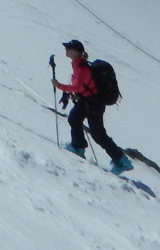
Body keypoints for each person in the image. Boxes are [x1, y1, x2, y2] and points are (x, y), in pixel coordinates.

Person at [55, 39, 133, 174]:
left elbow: (78, 86)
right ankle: (78, 147)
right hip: (87, 101)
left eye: (69, 48)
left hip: (93, 104)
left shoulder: (82, 68)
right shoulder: (78, 65)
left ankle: (121, 160)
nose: (66, 50)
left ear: (76, 52)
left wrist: (59, 86)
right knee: (74, 118)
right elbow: (81, 87)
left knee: (98, 133)